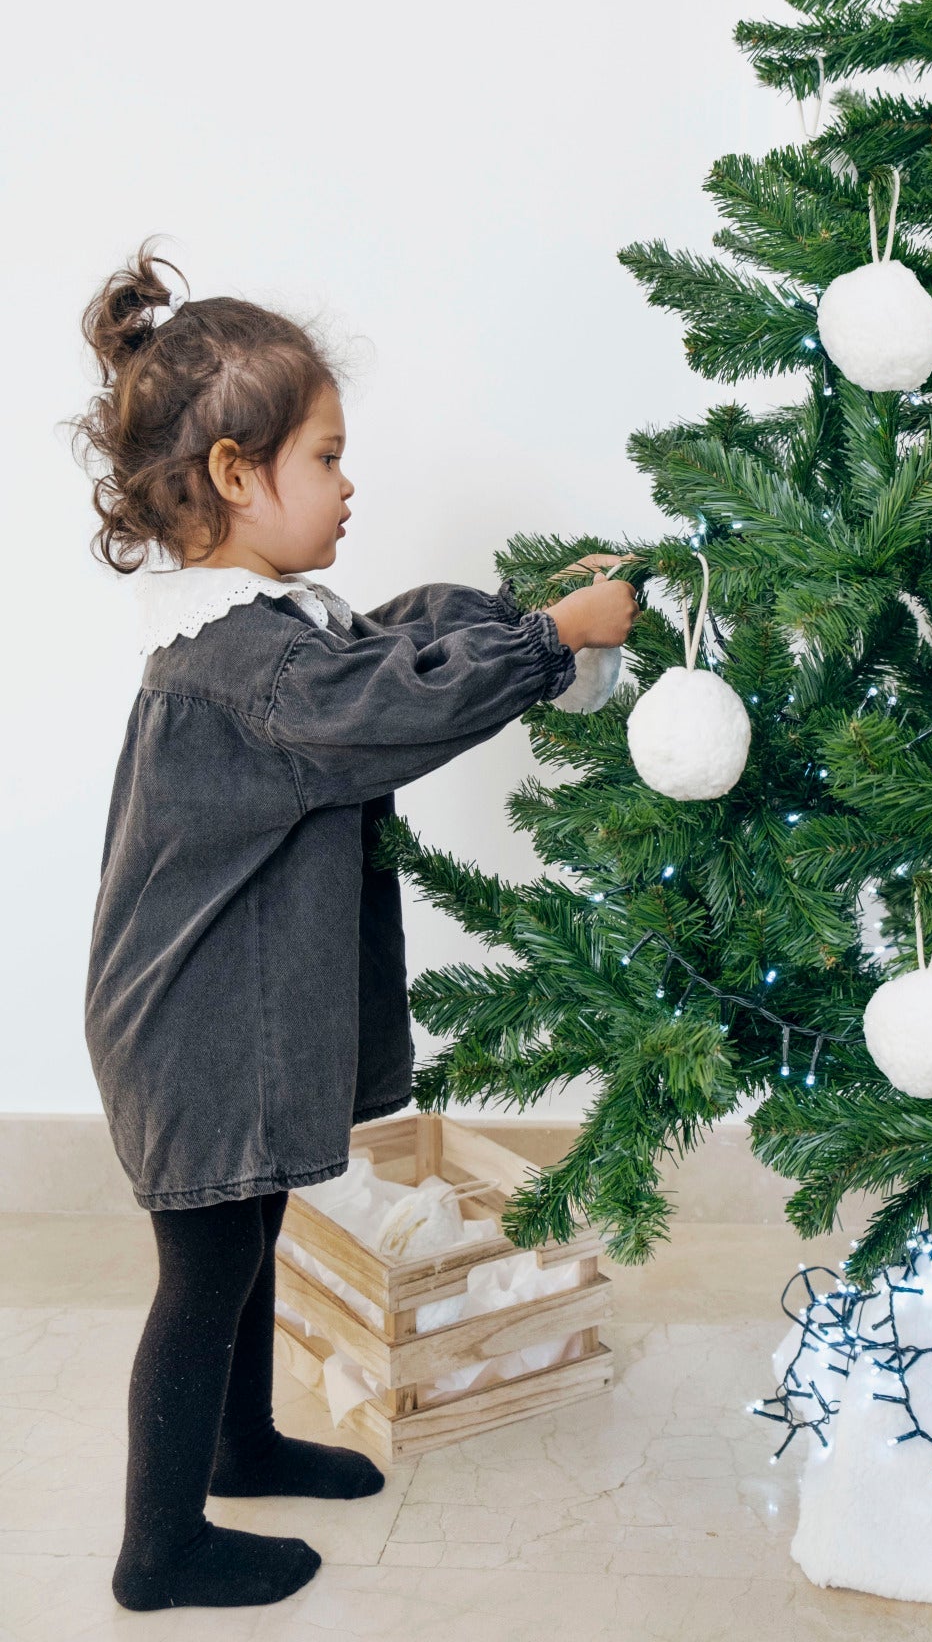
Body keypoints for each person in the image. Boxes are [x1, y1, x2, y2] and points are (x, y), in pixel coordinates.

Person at [71, 240, 638, 1612]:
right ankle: (159, 1550)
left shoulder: (273, 634)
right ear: (234, 476)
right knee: (205, 1271)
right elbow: (388, 710)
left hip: (212, 1011)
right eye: (326, 457)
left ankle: (241, 1443)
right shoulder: (249, 664)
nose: (348, 482)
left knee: (247, 1236)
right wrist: (550, 646)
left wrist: (524, 617)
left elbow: (390, 649)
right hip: (193, 1029)